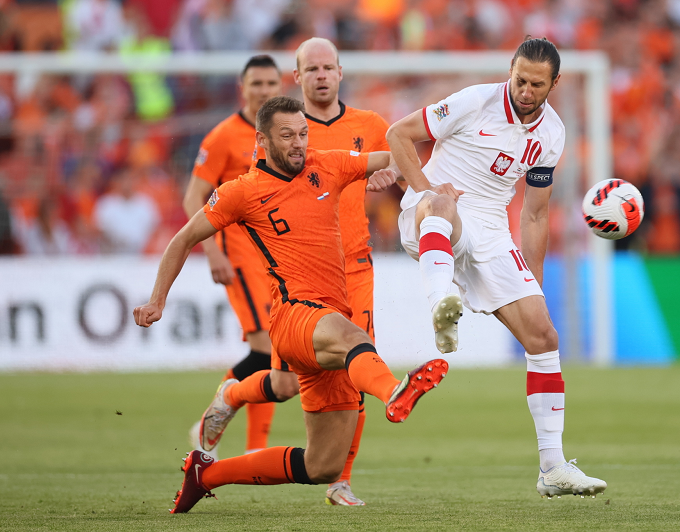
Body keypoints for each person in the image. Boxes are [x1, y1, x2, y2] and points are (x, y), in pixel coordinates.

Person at [134, 96, 448, 514]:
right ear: (262, 140)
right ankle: (394, 391)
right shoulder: (242, 192)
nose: (299, 143)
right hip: (293, 315)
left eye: (302, 133)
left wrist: (421, 167)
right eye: (287, 135)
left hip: (329, 315)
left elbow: (393, 153)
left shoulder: (328, 164)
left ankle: (204, 475)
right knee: (354, 338)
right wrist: (157, 300)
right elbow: (183, 239)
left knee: (322, 465)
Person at [386, 37, 607, 499]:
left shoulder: (553, 133)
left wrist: (535, 285)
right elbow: (398, 135)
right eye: (520, 79)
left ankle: (552, 467)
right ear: (511, 69)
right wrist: (425, 188)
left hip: (489, 229)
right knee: (443, 204)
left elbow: (535, 214)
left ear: (554, 84)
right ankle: (438, 299)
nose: (525, 90)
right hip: (433, 210)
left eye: (536, 84)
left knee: (544, 337)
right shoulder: (474, 101)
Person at [195, 38, 394, 506]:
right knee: (283, 384)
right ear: (298, 77)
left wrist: (403, 181)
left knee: (358, 359)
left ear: (341, 72)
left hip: (354, 268)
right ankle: (235, 393)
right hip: (296, 280)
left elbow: (400, 167)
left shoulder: (370, 125)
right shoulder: (284, 133)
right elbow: (251, 197)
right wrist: (215, 249)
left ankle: (340, 478)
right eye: (313, 68)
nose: (322, 75)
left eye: (330, 67)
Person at [183, 55, 284, 460]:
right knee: (266, 349)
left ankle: (254, 450)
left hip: (276, 259)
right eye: (256, 83)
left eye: (271, 83)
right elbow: (194, 196)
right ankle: (218, 409)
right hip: (238, 253)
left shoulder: (285, 132)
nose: (263, 90)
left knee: (277, 356)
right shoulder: (223, 136)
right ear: (242, 87)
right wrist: (210, 250)